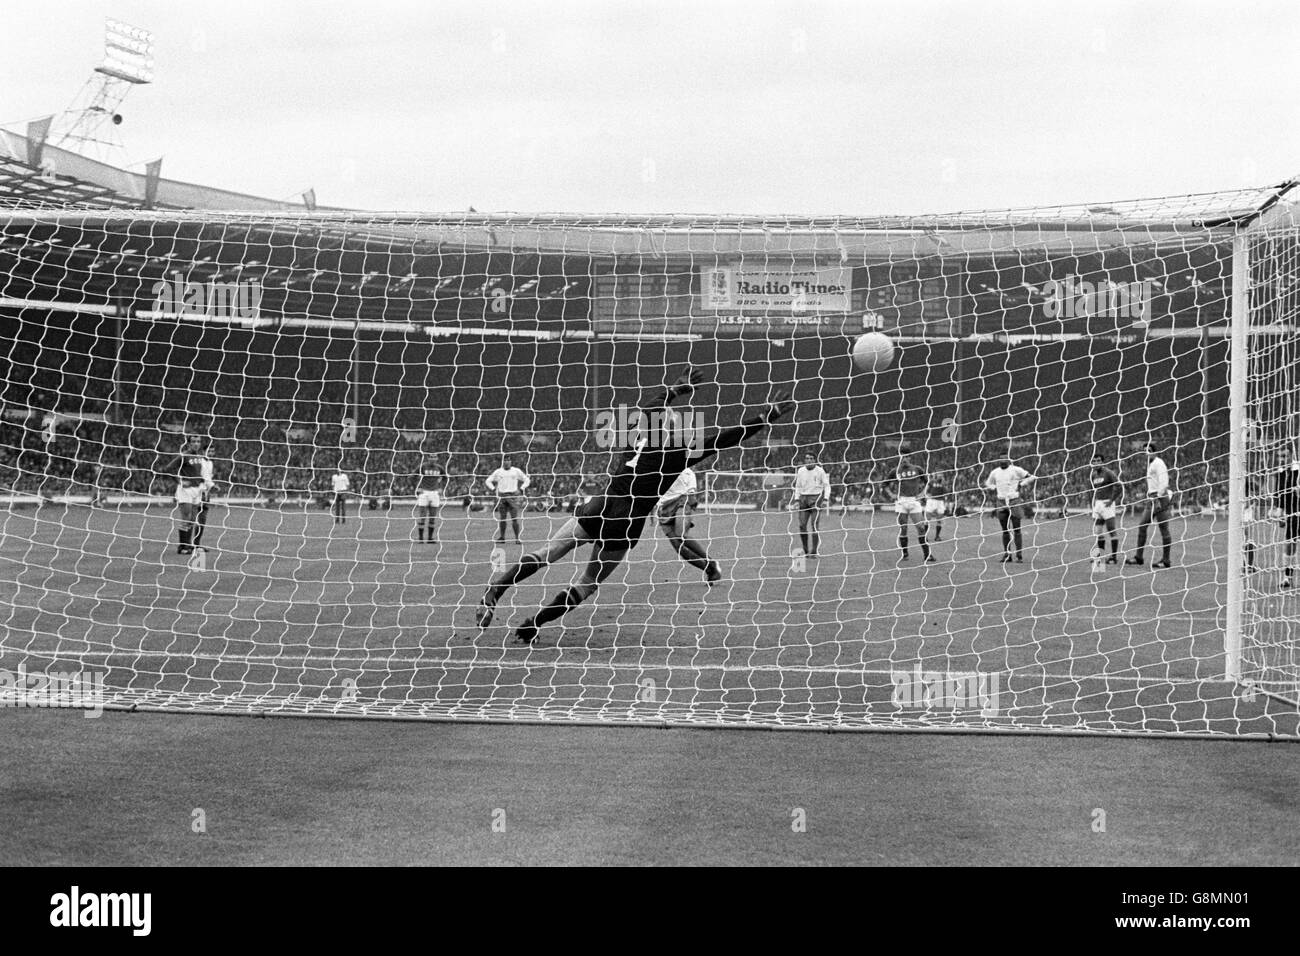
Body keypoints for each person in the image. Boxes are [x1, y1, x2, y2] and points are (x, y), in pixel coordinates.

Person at [475, 368, 794, 644]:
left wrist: (676, 389)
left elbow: (652, 405)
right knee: (587, 584)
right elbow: (727, 437)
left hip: (600, 505)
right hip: (627, 522)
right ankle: (534, 623)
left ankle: (493, 593)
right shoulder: (680, 451)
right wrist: (765, 417)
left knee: (546, 554)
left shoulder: (636, 438)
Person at [657, 467, 722, 583]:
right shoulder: (658, 469)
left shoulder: (687, 472)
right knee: (680, 549)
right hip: (663, 510)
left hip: (681, 502)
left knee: (681, 535)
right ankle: (709, 570)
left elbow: (692, 497)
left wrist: (691, 502)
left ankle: (711, 561)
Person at [1126, 442, 1173, 568]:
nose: (1146, 452)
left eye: (1149, 450)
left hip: (1159, 498)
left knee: (1164, 528)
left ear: (1155, 452)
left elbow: (1164, 482)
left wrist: (1158, 496)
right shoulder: (1150, 464)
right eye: (1144, 450)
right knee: (1142, 526)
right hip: (1151, 498)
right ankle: (1139, 557)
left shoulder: (1159, 463)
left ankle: (1166, 560)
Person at [984, 455, 1035, 563]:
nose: (1002, 462)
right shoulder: (995, 472)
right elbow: (987, 483)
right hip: (1001, 502)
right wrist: (992, 487)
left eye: (1004, 461)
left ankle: (1019, 555)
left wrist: (1022, 483)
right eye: (1000, 461)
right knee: (1005, 530)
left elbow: (1032, 477)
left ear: (1008, 461)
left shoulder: (1016, 470)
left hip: (1014, 501)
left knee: (1017, 529)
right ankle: (1007, 555)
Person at [887, 445, 933, 563]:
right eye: (903, 456)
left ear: (910, 457)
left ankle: (927, 555)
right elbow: (884, 485)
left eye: (907, 456)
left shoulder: (918, 469)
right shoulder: (895, 471)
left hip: (914, 501)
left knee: (921, 528)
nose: (905, 459)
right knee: (903, 529)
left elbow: (927, 482)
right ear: (900, 457)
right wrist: (891, 495)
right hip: (901, 502)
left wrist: (923, 493)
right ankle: (905, 553)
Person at [791, 452, 831, 557]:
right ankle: (806, 550)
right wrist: (796, 500)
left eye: (811, 458)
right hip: (804, 499)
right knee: (802, 526)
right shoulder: (801, 471)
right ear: (805, 460)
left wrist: (826, 499)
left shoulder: (820, 471)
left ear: (815, 460)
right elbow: (798, 486)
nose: (809, 460)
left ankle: (814, 551)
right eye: (807, 458)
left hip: (816, 499)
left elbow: (827, 486)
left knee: (814, 526)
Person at [485, 455, 530, 544]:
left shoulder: (516, 471)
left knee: (514, 519)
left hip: (513, 496)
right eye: (505, 460)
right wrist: (494, 489)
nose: (506, 462)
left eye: (508, 460)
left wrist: (521, 489)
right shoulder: (498, 472)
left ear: (511, 461)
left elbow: (527, 480)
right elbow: (488, 481)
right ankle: (502, 537)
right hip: (502, 496)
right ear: (503, 461)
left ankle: (517, 538)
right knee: (502, 518)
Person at [1089, 453, 1123, 565]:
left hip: (1107, 504)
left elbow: (1119, 486)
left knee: (1111, 530)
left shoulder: (1108, 473)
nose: (1096, 463)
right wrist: (1094, 502)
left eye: (1099, 460)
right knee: (1098, 531)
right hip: (1098, 504)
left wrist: (1112, 500)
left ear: (1102, 462)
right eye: (1094, 461)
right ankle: (1099, 557)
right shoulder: (1093, 475)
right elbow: (1095, 490)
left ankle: (1114, 557)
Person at [1274, 449, 1300, 587]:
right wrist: (1280, 512)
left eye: (1284, 456)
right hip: (1291, 514)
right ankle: (1287, 577)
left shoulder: (1298, 470)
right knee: (1290, 545)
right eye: (1279, 456)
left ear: (1292, 456)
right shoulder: (1281, 473)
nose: (1281, 459)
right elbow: (1279, 494)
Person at [415, 458, 446, 543]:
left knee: (432, 517)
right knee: (422, 516)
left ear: (436, 458)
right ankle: (421, 539)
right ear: (428, 458)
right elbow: (412, 476)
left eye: (435, 457)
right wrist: (418, 487)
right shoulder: (422, 467)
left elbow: (445, 478)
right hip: (424, 493)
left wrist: (441, 488)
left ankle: (430, 538)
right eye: (431, 457)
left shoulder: (440, 468)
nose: (433, 459)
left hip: (435, 493)